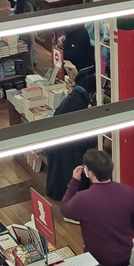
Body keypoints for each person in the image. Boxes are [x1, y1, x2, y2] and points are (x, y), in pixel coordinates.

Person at [60, 149, 134, 266]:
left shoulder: (83, 199)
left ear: (89, 172)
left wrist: (74, 181)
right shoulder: (128, 192)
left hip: (97, 260)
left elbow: (65, 209)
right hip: (123, 256)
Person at [45, 62, 94, 200]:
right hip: (68, 148)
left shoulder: (73, 99)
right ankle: (67, 198)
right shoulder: (78, 103)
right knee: (69, 175)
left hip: (59, 144)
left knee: (58, 174)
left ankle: (59, 195)